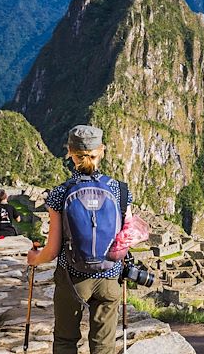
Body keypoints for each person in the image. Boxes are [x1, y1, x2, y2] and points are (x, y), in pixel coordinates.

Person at [27, 125, 133, 354]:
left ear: (70, 153)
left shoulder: (60, 193)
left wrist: (35, 259)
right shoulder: (121, 191)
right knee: (103, 345)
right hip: (109, 277)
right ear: (102, 151)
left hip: (72, 278)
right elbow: (128, 237)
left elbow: (53, 250)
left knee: (65, 340)